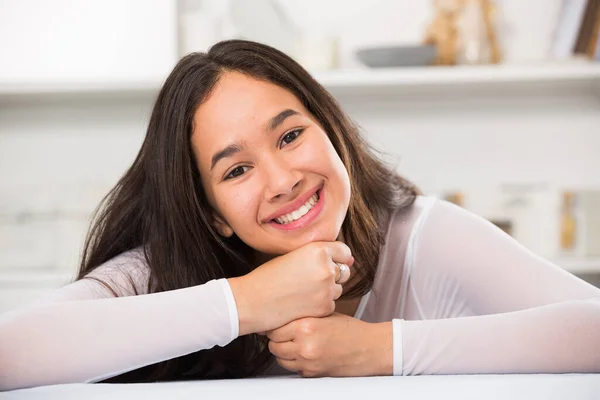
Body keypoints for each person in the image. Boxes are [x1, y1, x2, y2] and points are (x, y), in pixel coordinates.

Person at [1, 39, 599, 392]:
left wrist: (380, 350)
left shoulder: (422, 236)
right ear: (213, 217)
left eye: (289, 136)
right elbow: (11, 355)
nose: (283, 180)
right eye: (236, 171)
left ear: (331, 130)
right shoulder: (162, 269)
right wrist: (247, 302)